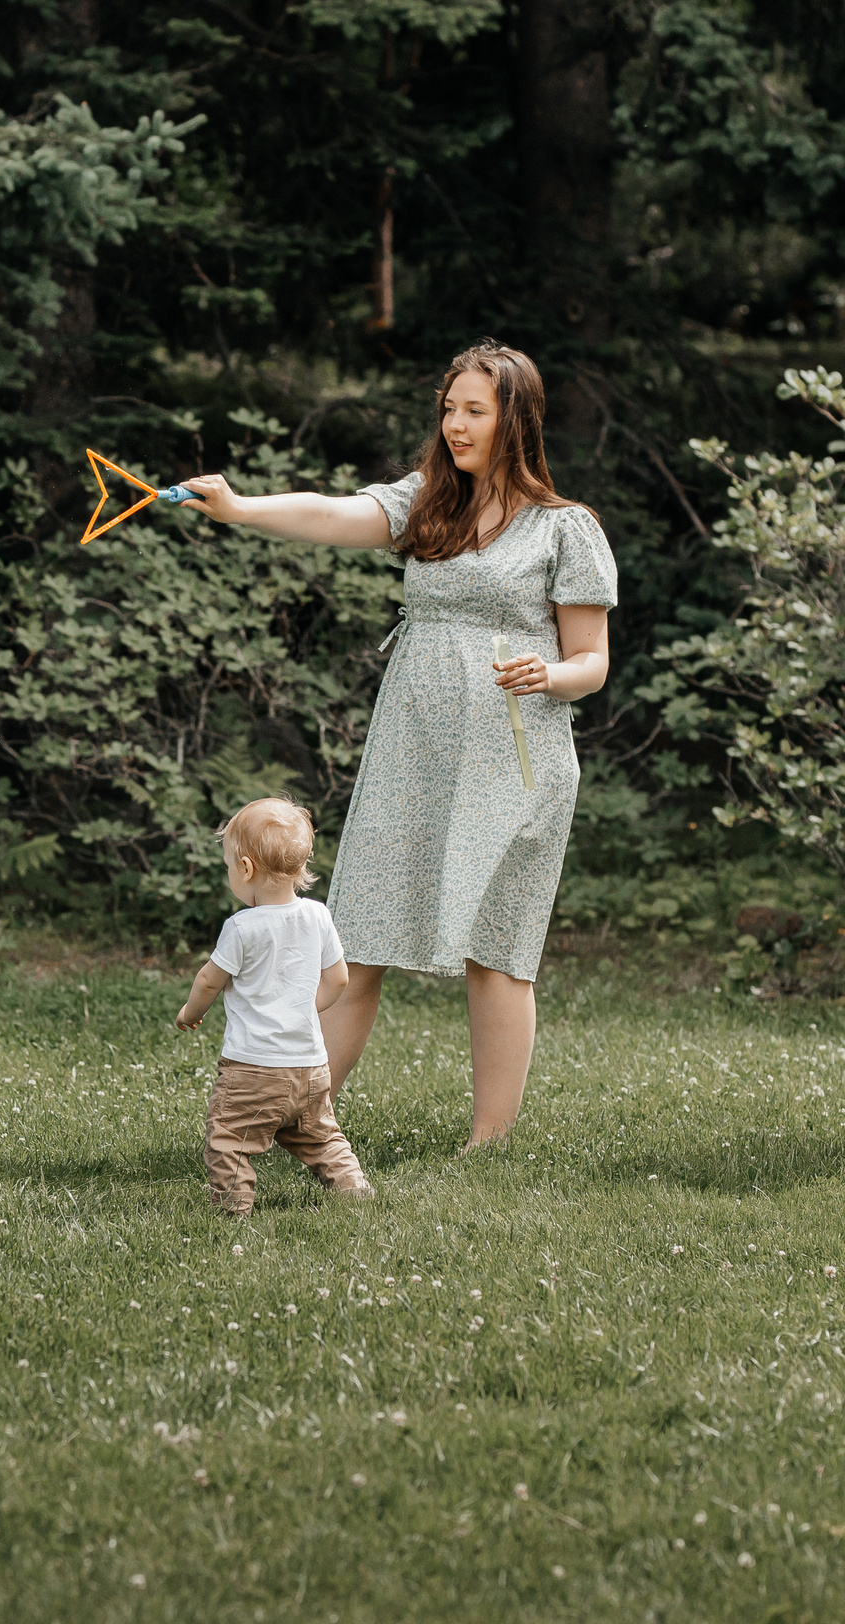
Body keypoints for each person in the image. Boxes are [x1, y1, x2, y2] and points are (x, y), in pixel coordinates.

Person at [174, 342, 615, 1152]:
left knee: (498, 950)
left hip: (514, 761)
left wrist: (548, 673)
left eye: (473, 409)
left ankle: (487, 1144)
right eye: (448, 407)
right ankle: (294, 1118)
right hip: (412, 747)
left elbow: (593, 662)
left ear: (516, 418)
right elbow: (332, 512)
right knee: (362, 931)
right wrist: (242, 508)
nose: (454, 423)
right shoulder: (427, 501)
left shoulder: (566, 529)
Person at [173, 798, 375, 1216]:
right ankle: (353, 1189)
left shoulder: (242, 927)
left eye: (230, 865)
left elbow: (210, 978)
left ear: (246, 869)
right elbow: (338, 978)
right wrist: (305, 1005)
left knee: (229, 1137)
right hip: (310, 1067)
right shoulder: (317, 916)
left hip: (252, 1070)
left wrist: (191, 1013)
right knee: (320, 1136)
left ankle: (233, 1206)